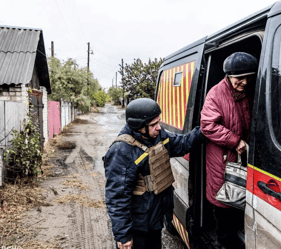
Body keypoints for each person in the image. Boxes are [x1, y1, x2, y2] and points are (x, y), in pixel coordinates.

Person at [104, 98, 204, 249]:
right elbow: (117, 197)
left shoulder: (158, 136)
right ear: (139, 126)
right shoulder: (121, 151)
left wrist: (206, 128)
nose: (158, 127)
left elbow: (183, 143)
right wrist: (123, 235)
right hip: (136, 227)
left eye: (158, 122)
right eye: (153, 125)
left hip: (155, 222)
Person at [201, 52, 258, 249]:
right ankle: (223, 244)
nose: (244, 82)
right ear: (229, 76)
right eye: (239, 78)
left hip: (241, 158)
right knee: (224, 207)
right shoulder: (216, 94)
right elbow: (207, 125)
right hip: (222, 160)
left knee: (238, 204)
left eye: (248, 78)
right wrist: (235, 141)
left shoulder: (247, 93)